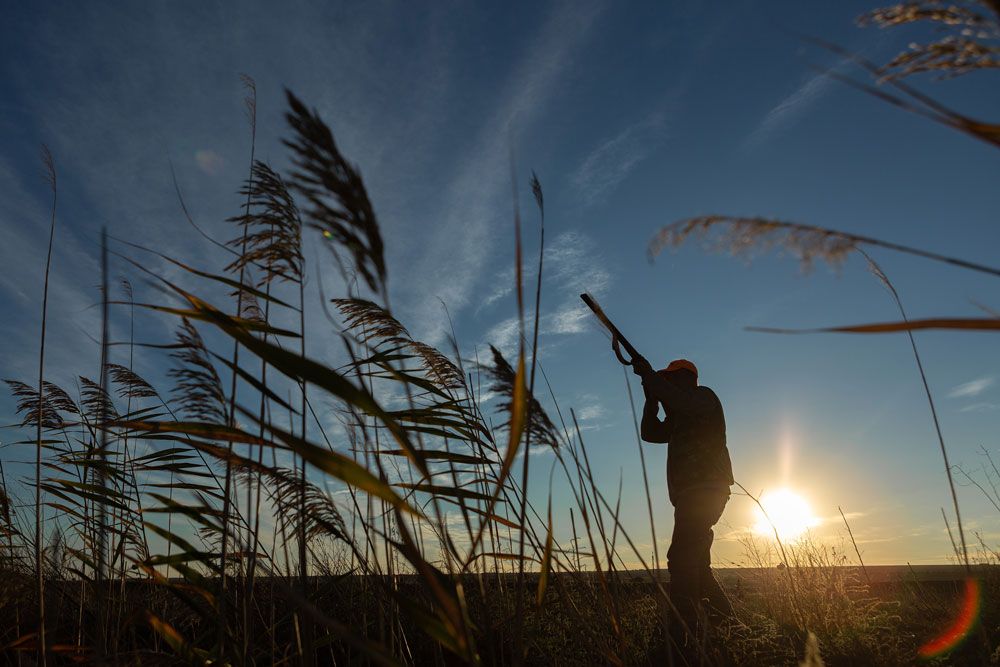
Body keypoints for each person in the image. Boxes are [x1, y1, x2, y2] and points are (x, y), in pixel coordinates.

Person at [631, 356, 735, 639]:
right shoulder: (680, 416)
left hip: (704, 490)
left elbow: (680, 402)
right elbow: (650, 433)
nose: (667, 382)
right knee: (697, 563)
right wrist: (651, 399)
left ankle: (682, 628)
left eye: (671, 377)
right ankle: (729, 624)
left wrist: (651, 377)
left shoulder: (703, 397)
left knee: (680, 558)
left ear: (687, 377)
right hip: (693, 493)